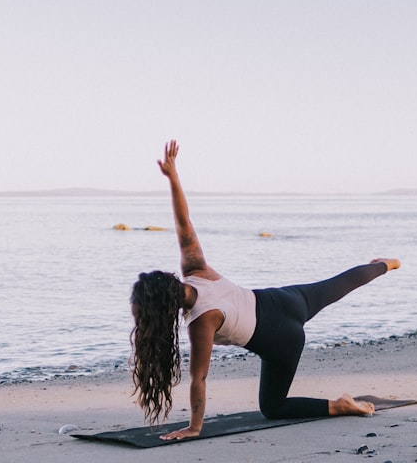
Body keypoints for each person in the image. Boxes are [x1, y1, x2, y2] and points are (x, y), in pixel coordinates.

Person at [129, 140, 400, 441]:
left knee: (273, 407)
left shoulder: (202, 321)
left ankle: (340, 406)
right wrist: (173, 176)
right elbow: (183, 222)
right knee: (337, 285)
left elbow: (199, 379)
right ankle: (383, 265)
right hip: (285, 299)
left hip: (282, 340)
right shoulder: (196, 270)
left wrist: (195, 427)